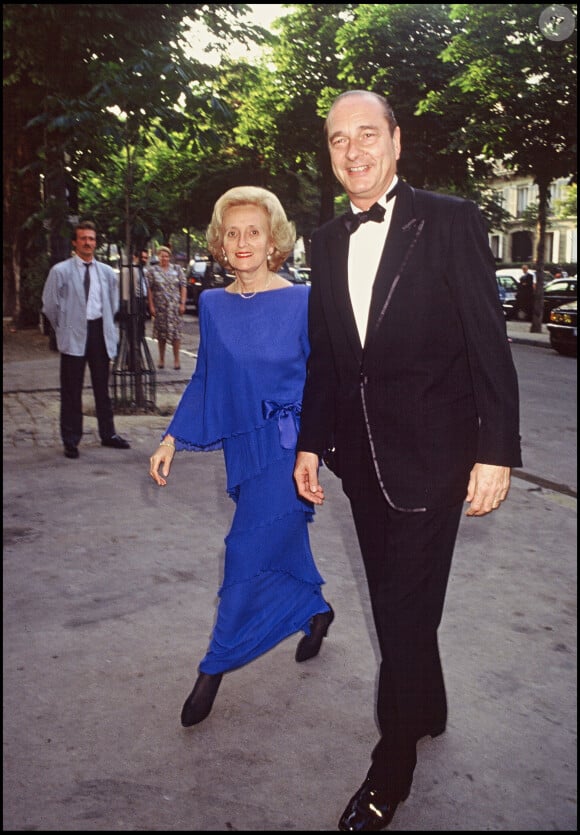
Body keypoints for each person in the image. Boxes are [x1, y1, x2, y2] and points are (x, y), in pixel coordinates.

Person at [293, 90, 522, 832]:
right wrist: (310, 440)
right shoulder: (325, 242)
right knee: (401, 599)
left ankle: (392, 767)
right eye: (337, 140)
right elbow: (328, 357)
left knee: (398, 606)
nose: (353, 150)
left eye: (367, 133)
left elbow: (490, 340)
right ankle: (431, 701)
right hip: (360, 457)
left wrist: (496, 450)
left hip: (437, 454)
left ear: (396, 140)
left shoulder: (450, 219)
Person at [148, 186, 334, 728]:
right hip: (243, 447)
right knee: (279, 540)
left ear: (274, 238)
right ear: (220, 244)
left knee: (244, 549)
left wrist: (315, 448)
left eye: (254, 230)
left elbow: (326, 379)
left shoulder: (303, 300)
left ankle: (213, 668)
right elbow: (208, 378)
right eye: (232, 233)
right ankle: (317, 612)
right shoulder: (212, 303)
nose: (243, 241)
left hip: (287, 446)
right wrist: (170, 439)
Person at [41, 220, 131, 459]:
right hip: (73, 334)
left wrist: (107, 327)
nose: (88, 242)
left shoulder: (106, 272)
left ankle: (108, 434)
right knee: (72, 390)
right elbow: (49, 305)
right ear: (75, 242)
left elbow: (111, 304)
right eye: (83, 238)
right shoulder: (61, 271)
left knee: (102, 388)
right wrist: (62, 328)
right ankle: (71, 439)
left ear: (95, 242)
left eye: (91, 238)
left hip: (99, 333)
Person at [146, 245, 187, 370]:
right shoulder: (152, 271)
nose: (164, 258)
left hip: (174, 307)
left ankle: (176, 360)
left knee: (176, 334)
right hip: (160, 307)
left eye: (166, 256)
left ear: (170, 257)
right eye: (162, 256)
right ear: (158, 257)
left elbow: (183, 286)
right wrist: (151, 305)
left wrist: (182, 303)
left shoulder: (177, 269)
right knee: (161, 334)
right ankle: (162, 359)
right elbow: (149, 289)